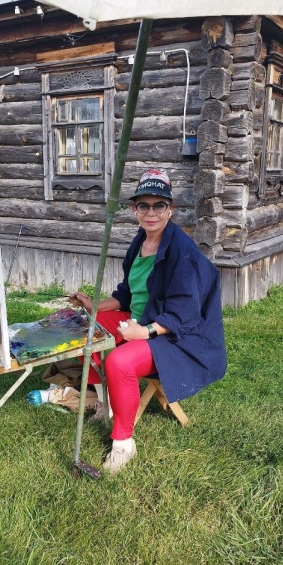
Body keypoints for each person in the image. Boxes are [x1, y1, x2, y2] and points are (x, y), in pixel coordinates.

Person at [68, 169, 227, 473]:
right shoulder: (140, 242)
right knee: (84, 328)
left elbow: (185, 313)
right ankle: (106, 403)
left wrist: (145, 331)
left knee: (120, 362)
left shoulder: (181, 252)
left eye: (159, 205)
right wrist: (94, 306)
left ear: (171, 209)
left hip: (177, 336)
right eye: (144, 205)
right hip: (143, 320)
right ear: (134, 209)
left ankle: (123, 445)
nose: (151, 213)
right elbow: (127, 295)